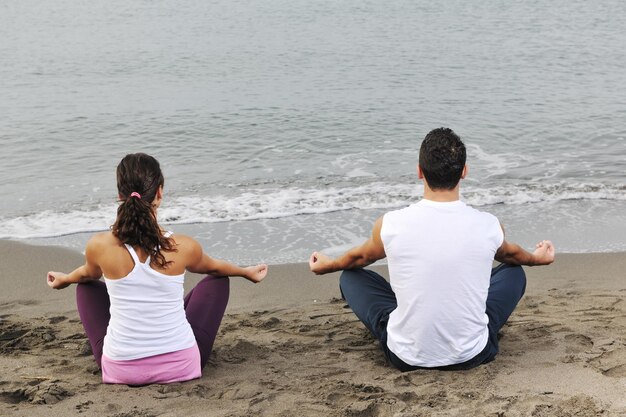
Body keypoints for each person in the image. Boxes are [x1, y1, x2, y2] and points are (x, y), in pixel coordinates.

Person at [309, 128, 555, 371]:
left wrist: (329, 265)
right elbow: (512, 255)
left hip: (405, 357)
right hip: (472, 355)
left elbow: (359, 257)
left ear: (419, 172)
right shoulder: (488, 225)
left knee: (351, 275)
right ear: (464, 173)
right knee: (514, 271)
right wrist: (537, 258)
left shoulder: (391, 223)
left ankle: (412, 322)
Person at [47, 153, 268, 385]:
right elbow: (214, 267)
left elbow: (86, 274)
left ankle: (127, 354)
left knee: (85, 286)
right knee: (219, 279)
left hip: (122, 371)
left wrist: (65, 279)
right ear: (159, 193)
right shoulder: (182, 246)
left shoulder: (99, 246)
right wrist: (245, 271)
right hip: (181, 367)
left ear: (120, 195)